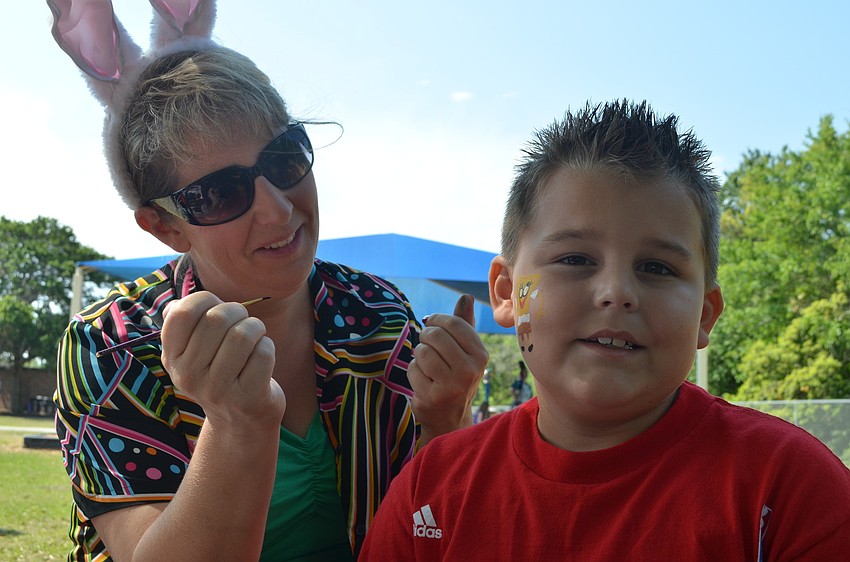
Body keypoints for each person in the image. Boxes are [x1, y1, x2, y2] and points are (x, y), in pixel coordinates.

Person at [47, 1, 487, 561]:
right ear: (165, 227)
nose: (278, 210)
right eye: (220, 193)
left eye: (284, 159)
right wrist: (237, 424)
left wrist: (447, 426)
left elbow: (428, 531)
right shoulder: (112, 344)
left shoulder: (377, 312)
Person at [359, 100, 850, 560]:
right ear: (506, 293)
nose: (617, 292)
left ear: (705, 314)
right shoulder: (429, 493)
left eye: (657, 267)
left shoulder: (789, 488)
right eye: (575, 259)